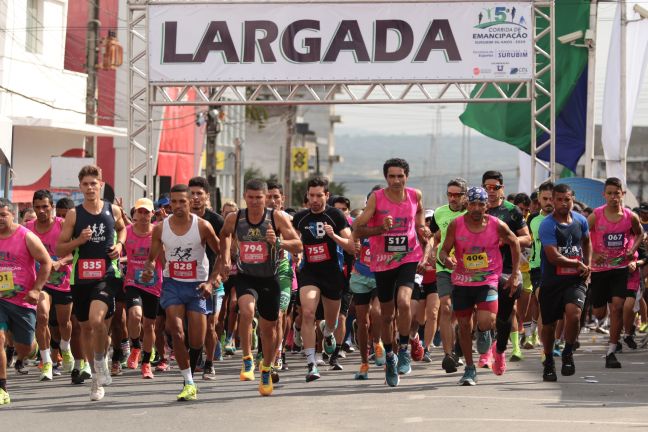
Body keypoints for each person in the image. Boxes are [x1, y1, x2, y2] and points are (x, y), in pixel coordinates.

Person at [219, 179, 301, 396]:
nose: (255, 202)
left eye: (259, 198)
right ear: (245, 196)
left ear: (266, 198)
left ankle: (266, 367)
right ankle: (247, 359)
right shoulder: (235, 217)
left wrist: (279, 243)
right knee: (245, 310)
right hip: (246, 276)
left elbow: (298, 244)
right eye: (251, 197)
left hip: (269, 278)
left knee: (270, 329)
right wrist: (227, 257)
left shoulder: (276, 217)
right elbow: (225, 235)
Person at [352, 158, 429, 387]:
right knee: (387, 316)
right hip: (382, 262)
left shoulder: (415, 195)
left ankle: (403, 348)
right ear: (386, 178)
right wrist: (379, 228)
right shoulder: (378, 198)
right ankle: (390, 356)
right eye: (392, 176)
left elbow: (419, 215)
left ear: (407, 176)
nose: (396, 180)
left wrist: (421, 227)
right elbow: (357, 230)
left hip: (408, 256)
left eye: (400, 176)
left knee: (404, 302)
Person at [142, 184, 221, 401]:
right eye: (173, 202)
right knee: (176, 330)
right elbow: (151, 258)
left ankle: (192, 370)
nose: (177, 206)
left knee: (196, 340)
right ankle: (188, 381)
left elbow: (222, 256)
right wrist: (149, 270)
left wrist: (211, 282)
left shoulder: (203, 226)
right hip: (172, 284)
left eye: (182, 202)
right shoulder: (160, 228)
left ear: (190, 202)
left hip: (198, 286)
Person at [56, 165, 127, 401]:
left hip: (107, 275)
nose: (89, 188)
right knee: (87, 328)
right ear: (80, 187)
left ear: (101, 185)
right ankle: (96, 378)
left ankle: (100, 364)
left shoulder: (113, 210)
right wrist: (80, 240)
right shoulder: (74, 215)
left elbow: (122, 229)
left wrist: (119, 246)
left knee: (97, 321)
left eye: (93, 184)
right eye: (85, 184)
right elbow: (60, 248)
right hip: (80, 279)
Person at [439, 186, 520, 386]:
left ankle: (485, 333)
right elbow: (444, 250)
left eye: (481, 204)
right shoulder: (456, 225)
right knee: (464, 326)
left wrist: (515, 274)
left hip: (488, 280)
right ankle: (469, 368)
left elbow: (515, 243)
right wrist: (447, 260)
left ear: (486, 206)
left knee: (487, 320)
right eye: (473, 204)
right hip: (462, 281)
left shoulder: (496, 224)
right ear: (467, 204)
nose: (476, 208)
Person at [293, 177, 355, 382]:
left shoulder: (335, 215)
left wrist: (334, 236)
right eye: (311, 195)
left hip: (332, 274)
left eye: (319, 195)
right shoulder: (300, 218)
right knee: (309, 312)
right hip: (310, 273)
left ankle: (327, 332)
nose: (315, 199)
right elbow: (294, 242)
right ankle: (311, 363)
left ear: (327, 196)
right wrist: (296, 252)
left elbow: (351, 246)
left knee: (331, 322)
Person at [587, 177, 644, 368]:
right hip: (599, 270)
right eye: (609, 193)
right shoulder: (596, 215)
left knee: (618, 307)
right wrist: (593, 254)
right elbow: (581, 236)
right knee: (599, 311)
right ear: (604, 195)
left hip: (620, 268)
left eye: (616, 194)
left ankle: (612, 350)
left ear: (622, 194)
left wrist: (632, 249)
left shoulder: (630, 216)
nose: (613, 197)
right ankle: (601, 319)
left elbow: (639, 233)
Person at [0, 198, 52, 405]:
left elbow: (46, 262)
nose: (0, 219)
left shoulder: (25, 236)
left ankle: (32, 349)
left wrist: (36, 289)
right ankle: (2, 387)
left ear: (13, 214)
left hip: (22, 301)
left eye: (4, 214)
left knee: (25, 348)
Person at [537, 183, 591, 381]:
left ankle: (568, 352)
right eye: (558, 199)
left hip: (575, 281)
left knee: (574, 314)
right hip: (551, 281)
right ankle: (549, 360)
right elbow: (553, 257)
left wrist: (588, 266)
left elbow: (587, 242)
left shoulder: (581, 221)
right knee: (549, 326)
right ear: (552, 200)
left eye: (566, 199)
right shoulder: (547, 225)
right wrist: (578, 264)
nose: (562, 203)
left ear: (572, 199)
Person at [481, 171, 531, 373]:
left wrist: (508, 240)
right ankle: (485, 352)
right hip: (481, 269)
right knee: (484, 314)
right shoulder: (476, 210)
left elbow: (527, 238)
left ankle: (499, 349)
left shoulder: (512, 212)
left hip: (507, 270)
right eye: (487, 187)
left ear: (502, 188)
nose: (490, 192)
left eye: (495, 187)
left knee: (504, 314)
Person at [26, 190, 74, 381]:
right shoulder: (28, 228)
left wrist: (60, 263)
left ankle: (65, 346)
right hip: (40, 283)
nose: (41, 211)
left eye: (45, 206)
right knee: (42, 316)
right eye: (37, 207)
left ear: (52, 207)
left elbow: (74, 253)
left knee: (64, 323)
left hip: (63, 282)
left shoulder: (63, 226)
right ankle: (46, 362)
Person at [188, 176, 225, 380]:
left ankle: (209, 363)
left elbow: (224, 251)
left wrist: (217, 276)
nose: (195, 198)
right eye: (191, 193)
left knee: (211, 324)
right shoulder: (180, 219)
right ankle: (195, 358)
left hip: (211, 280)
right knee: (188, 326)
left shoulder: (216, 220)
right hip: (186, 280)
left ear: (206, 196)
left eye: (199, 194)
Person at [123, 198, 163, 379]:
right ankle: (135, 347)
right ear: (135, 214)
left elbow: (166, 257)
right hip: (132, 281)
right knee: (135, 315)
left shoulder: (158, 232)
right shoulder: (127, 232)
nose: (144, 215)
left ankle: (146, 363)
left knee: (149, 325)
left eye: (147, 212)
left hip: (154, 284)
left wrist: (153, 265)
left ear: (152, 214)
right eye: (140, 211)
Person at [430, 178, 467, 373]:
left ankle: (461, 347)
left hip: (468, 270)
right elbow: (436, 237)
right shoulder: (439, 213)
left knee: (464, 314)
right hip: (444, 267)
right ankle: (448, 355)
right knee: (445, 308)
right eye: (449, 194)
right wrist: (432, 250)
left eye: (457, 195)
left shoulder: (472, 213)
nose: (452, 198)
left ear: (465, 195)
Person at [523, 181, 554, 349]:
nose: (549, 202)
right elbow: (528, 241)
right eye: (545, 198)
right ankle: (544, 346)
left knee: (556, 308)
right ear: (539, 200)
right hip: (537, 268)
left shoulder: (565, 218)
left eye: (552, 198)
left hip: (560, 268)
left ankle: (553, 339)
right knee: (542, 303)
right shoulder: (533, 219)